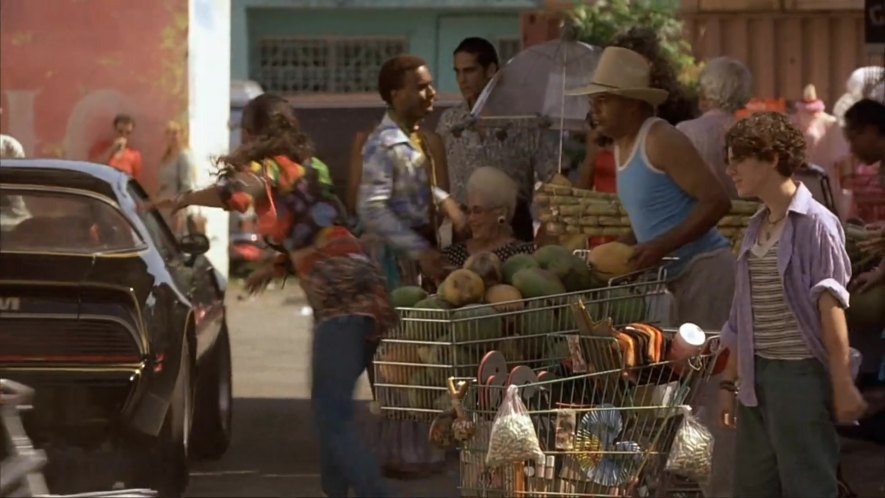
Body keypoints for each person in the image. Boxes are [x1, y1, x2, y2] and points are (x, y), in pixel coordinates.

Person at [144, 93, 392, 498]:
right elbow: (323, 226)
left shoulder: (270, 168)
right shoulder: (312, 168)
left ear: (252, 132)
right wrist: (277, 265)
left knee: (332, 415)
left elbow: (238, 193)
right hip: (367, 288)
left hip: (341, 298)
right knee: (332, 410)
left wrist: (182, 198)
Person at [567, 46, 735, 497]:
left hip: (705, 270)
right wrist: (624, 246)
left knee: (711, 386)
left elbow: (717, 201)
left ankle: (720, 486)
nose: (595, 108)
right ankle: (688, 482)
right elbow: (649, 215)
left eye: (605, 100)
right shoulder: (621, 148)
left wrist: (661, 244)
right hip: (670, 279)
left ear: (634, 103)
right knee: (675, 390)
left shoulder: (659, 138)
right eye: (594, 100)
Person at [717, 111, 868, 497]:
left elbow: (830, 307)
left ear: (771, 158)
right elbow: (742, 312)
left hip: (798, 376)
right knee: (751, 486)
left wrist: (842, 383)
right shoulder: (756, 225)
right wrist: (729, 381)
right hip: (757, 375)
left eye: (739, 158)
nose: (731, 168)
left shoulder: (816, 224)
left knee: (808, 483)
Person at [436, 37, 558, 241]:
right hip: (465, 229)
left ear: (491, 70)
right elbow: (434, 181)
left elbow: (553, 178)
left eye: (469, 71)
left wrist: (548, 223)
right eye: (457, 72)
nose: (462, 80)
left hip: (513, 228)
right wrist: (450, 208)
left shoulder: (523, 121)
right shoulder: (449, 123)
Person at [359, 54, 460, 290]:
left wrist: (445, 202)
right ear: (396, 95)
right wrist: (419, 251)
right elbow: (371, 209)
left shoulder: (419, 139)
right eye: (421, 88)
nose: (432, 93)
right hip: (392, 265)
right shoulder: (384, 143)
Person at [676, 56, 753, 200]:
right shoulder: (753, 134)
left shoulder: (683, 131)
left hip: (697, 218)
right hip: (746, 218)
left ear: (707, 88)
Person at [442, 166, 533, 267]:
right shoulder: (450, 256)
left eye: (477, 211)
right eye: (469, 212)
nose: (470, 219)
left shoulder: (524, 254)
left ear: (501, 213)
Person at [156, 120, 198, 234]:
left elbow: (186, 187)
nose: (172, 136)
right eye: (169, 132)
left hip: (176, 210)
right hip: (164, 208)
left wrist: (180, 211)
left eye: (175, 132)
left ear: (181, 134)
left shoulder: (184, 156)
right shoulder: (166, 157)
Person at [89, 114, 143, 180]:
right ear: (114, 130)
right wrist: (112, 150)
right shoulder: (103, 148)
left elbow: (135, 180)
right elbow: (94, 168)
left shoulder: (134, 155)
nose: (123, 135)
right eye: (120, 131)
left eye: (128, 133)